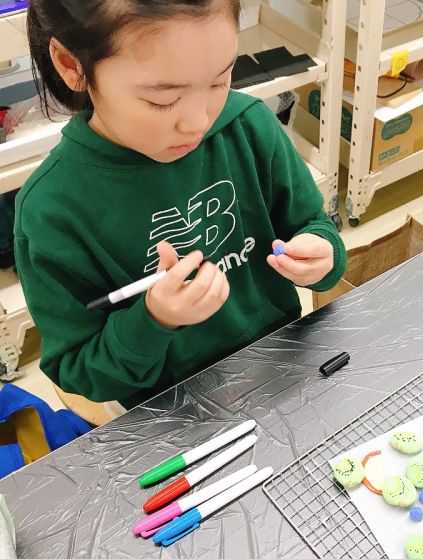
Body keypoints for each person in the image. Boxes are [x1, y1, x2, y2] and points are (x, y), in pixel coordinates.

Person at [15, 0, 346, 410]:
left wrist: (322, 253)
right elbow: (80, 371)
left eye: (220, 81)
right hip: (168, 410)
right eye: (163, 100)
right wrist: (153, 320)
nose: (197, 121)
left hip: (281, 366)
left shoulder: (248, 126)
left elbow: (313, 226)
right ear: (71, 65)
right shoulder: (51, 211)